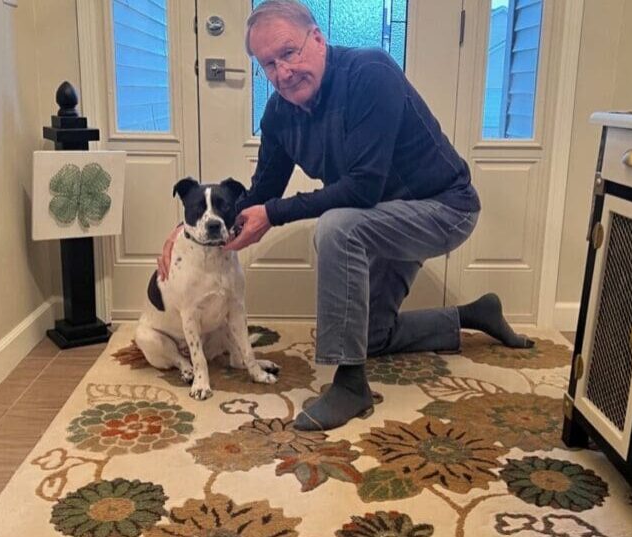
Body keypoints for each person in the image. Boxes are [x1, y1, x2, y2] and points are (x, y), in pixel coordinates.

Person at [159, 0, 533, 431]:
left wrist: (275, 215)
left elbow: (362, 188)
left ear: (316, 38)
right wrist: (188, 231)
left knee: (337, 226)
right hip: (382, 217)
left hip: (445, 207)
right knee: (373, 336)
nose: (282, 72)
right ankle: (472, 315)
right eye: (268, 64)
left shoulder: (370, 74)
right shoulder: (279, 113)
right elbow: (262, 194)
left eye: (289, 53)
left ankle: (350, 384)